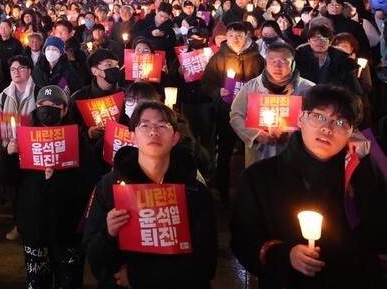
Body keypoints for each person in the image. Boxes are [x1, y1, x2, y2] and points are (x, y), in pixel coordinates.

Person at [230, 84, 387, 287]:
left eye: (340, 122)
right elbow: (243, 239)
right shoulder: (259, 177)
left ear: (352, 132)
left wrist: (366, 164)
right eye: (319, 116)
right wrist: (286, 255)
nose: (326, 128)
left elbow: (380, 233)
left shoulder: (362, 174)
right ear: (300, 119)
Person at [83, 101, 217, 289]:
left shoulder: (193, 190)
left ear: (175, 137)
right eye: (145, 125)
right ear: (133, 137)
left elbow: (206, 263)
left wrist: (141, 275)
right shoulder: (109, 186)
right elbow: (95, 260)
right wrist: (108, 234)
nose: (153, 132)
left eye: (162, 125)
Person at [0, 85, 103, 289]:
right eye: (42, 104)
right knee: (37, 280)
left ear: (64, 110)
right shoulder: (24, 137)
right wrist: (8, 154)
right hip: (34, 223)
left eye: (54, 104)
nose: (48, 108)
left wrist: (59, 180)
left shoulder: (76, 140)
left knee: (69, 280)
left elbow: (92, 179)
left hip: (67, 225)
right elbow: (6, 178)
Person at [200, 22, 265, 206]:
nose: (235, 39)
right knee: (225, 151)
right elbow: (207, 82)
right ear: (225, 37)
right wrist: (217, 91)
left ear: (246, 37)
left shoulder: (257, 59)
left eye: (239, 35)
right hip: (226, 112)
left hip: (252, 113)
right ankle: (222, 190)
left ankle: (252, 192)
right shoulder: (218, 58)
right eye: (231, 35)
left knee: (252, 151)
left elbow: (265, 82)